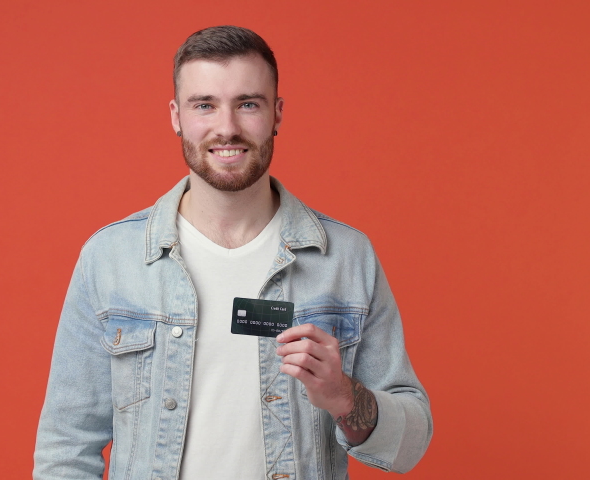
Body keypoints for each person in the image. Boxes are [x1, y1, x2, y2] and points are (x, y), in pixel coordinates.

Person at [34, 26, 432, 480]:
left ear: (277, 113)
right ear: (176, 116)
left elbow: (410, 444)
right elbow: (65, 447)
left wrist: (344, 397)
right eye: (204, 105)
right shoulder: (110, 258)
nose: (227, 128)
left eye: (248, 104)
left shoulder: (346, 258)